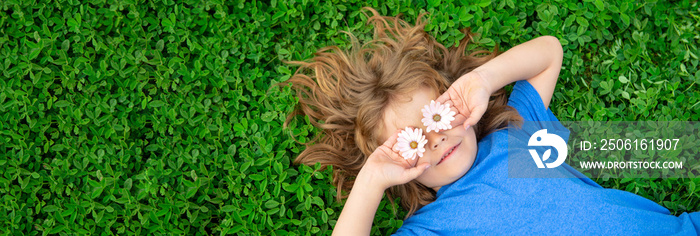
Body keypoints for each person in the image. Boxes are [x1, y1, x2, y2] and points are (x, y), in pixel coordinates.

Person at [284, 7, 700, 235]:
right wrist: (371, 182)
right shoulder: (429, 229)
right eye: (411, 141)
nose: (436, 140)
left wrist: (484, 79)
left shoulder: (514, 136)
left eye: (438, 116)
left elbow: (549, 52)